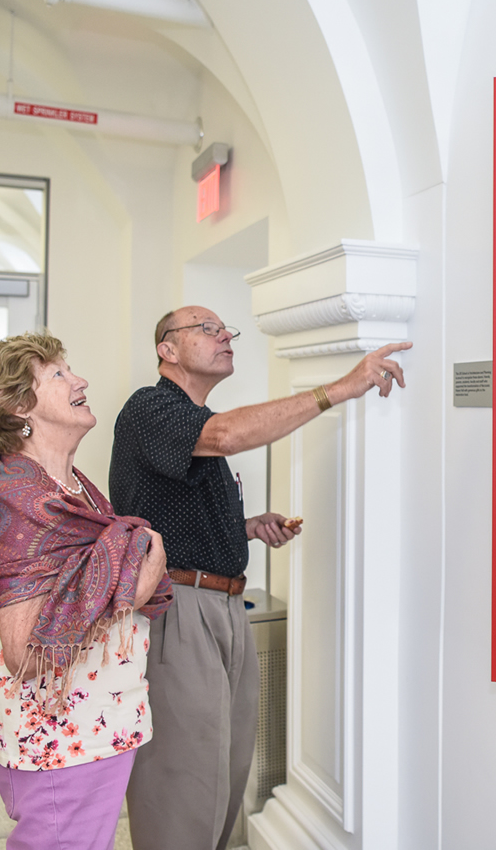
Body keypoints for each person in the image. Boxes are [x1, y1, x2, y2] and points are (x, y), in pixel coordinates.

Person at [113, 305, 410, 850]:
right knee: (181, 782)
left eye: (226, 330)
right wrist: (340, 388)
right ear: (167, 349)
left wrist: (245, 527)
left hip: (226, 606)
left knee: (224, 772)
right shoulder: (151, 407)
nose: (224, 336)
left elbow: (176, 511)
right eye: (207, 329)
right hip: (178, 609)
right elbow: (227, 435)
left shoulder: (197, 423)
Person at [0, 331, 173, 850]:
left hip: (96, 725)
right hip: (58, 738)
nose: (80, 381)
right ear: (16, 404)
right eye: (58, 374)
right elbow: (26, 654)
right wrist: (132, 591)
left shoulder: (71, 487)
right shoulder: (15, 500)